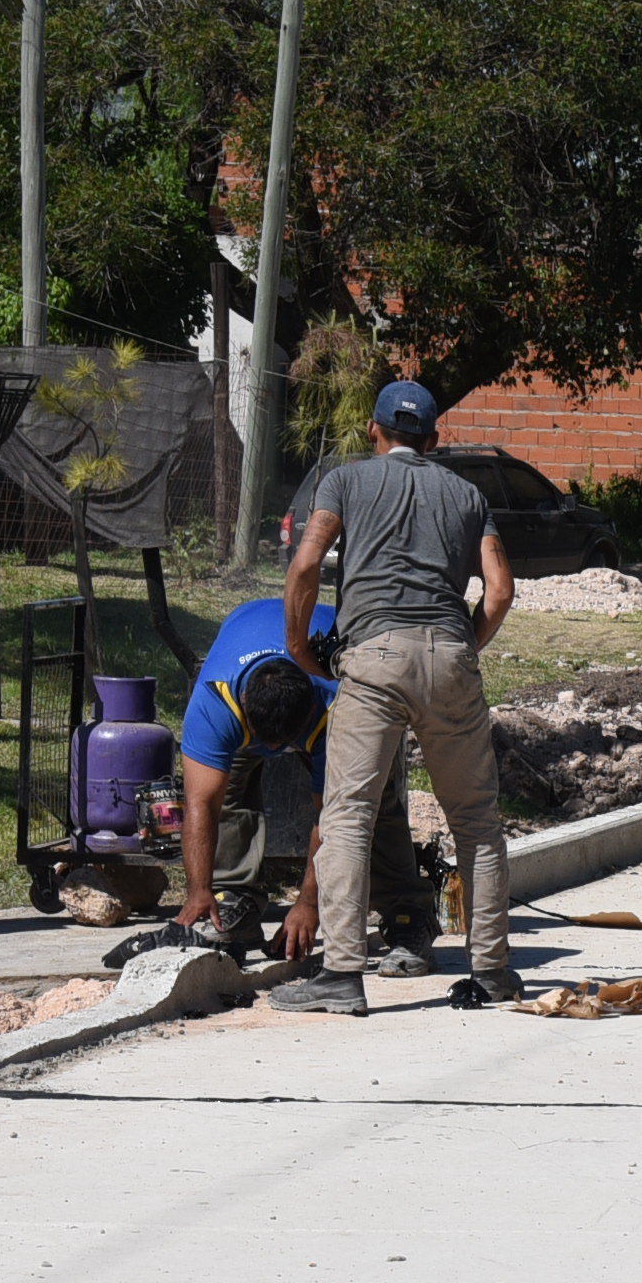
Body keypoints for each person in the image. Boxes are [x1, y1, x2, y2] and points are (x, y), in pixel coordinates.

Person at [267, 379, 515, 1014]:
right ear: (433, 441)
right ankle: (491, 971)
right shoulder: (467, 495)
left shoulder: (345, 482)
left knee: (348, 816)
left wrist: (301, 646)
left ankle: (343, 976)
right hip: (452, 655)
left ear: (373, 432)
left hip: (372, 659)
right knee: (477, 824)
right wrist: (463, 649)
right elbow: (500, 592)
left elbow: (304, 565)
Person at [167, 593, 430, 971]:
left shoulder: (336, 698)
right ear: (244, 703)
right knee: (224, 792)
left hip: (347, 666)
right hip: (249, 625)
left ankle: (408, 914)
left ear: (308, 711)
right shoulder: (215, 702)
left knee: (374, 800)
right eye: (266, 741)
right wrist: (198, 890)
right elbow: (199, 805)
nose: (277, 752)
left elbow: (331, 816)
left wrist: (309, 903)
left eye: (287, 743)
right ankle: (231, 897)